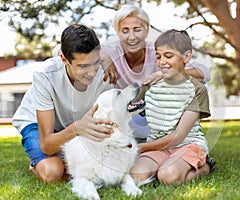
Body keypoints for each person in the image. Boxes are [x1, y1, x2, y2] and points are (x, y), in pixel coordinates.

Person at [101, 4, 215, 174]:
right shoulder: (110, 50)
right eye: (125, 30)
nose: (131, 36)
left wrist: (165, 74)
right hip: (133, 116)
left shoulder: (158, 49)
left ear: (147, 30)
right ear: (118, 33)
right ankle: (159, 156)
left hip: (161, 113)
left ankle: (195, 158)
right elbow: (64, 49)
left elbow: (204, 72)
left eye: (137, 29)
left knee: (194, 82)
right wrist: (103, 57)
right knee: (136, 174)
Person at [12, 24, 114, 183]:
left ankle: (51, 158)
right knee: (53, 173)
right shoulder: (45, 75)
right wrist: (76, 129)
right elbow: (47, 145)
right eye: (83, 66)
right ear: (64, 59)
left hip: (76, 124)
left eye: (95, 62)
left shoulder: (105, 74)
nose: (92, 72)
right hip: (37, 123)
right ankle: (36, 164)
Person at [129, 29, 211, 185]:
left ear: (186, 57)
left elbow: (179, 136)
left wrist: (142, 147)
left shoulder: (197, 90)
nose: (162, 62)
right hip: (159, 146)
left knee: (168, 177)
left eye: (168, 56)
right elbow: (128, 111)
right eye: (158, 57)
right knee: (135, 176)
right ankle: (166, 164)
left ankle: (204, 166)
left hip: (187, 144)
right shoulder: (151, 86)